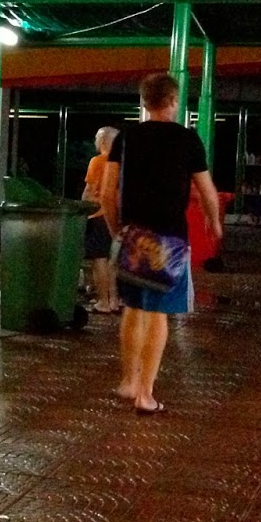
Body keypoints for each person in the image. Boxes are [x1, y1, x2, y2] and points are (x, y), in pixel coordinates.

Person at [100, 73, 222, 415]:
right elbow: (207, 190)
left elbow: (107, 192)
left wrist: (116, 230)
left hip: (133, 235)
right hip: (170, 239)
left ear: (144, 102)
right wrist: (213, 222)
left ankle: (128, 381)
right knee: (158, 314)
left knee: (132, 308)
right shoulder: (187, 139)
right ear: (173, 101)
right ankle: (146, 394)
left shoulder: (126, 138)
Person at [81, 126, 121, 313]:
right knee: (114, 260)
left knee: (99, 259)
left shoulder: (97, 161)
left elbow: (90, 189)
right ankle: (115, 300)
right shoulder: (121, 162)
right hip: (117, 215)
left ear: (103, 141)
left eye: (97, 139)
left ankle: (103, 301)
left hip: (98, 214)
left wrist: (82, 209)